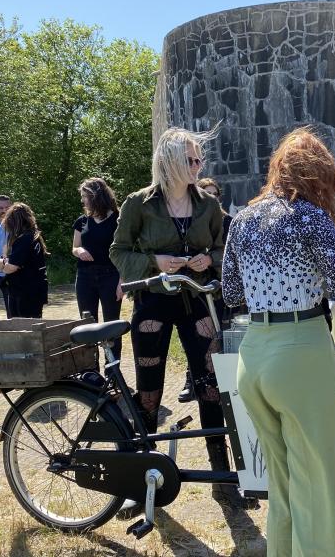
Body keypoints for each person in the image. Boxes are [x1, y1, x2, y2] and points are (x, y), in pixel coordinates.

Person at [223, 128, 335, 556]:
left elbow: (230, 293)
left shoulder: (243, 219)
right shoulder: (310, 218)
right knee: (317, 481)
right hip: (300, 349)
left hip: (254, 354)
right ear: (318, 175)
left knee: (280, 482)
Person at [109, 127, 245, 507]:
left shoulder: (207, 204)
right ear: (169, 161)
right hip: (152, 303)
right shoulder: (139, 204)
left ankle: (223, 479)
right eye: (191, 159)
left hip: (198, 302)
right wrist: (155, 262)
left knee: (211, 388)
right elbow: (117, 252)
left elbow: (224, 248)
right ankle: (142, 481)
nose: (198, 166)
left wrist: (209, 260)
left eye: (200, 159)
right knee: (148, 391)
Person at [177, 177, 233, 403]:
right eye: (206, 194)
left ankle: (221, 381)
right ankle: (191, 376)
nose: (212, 199)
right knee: (194, 338)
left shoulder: (229, 222)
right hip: (194, 287)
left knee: (218, 334)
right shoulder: (189, 222)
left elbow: (231, 256)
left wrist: (212, 260)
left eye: (215, 194)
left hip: (219, 286)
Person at [73, 178, 123, 359]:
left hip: (111, 276)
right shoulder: (82, 221)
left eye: (85, 196)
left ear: (96, 196)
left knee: (113, 326)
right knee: (87, 324)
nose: (82, 200)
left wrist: (121, 282)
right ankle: (91, 373)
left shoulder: (118, 219)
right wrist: (80, 251)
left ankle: (113, 373)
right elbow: (74, 247)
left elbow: (126, 252)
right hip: (85, 277)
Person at [0, 203, 49, 318]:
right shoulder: (34, 236)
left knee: (23, 326)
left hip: (25, 292)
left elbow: (11, 268)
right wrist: (5, 262)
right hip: (33, 289)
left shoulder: (24, 239)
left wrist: (2, 262)